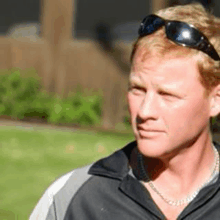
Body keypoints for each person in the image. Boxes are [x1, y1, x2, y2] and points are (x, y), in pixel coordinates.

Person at [29, 3, 220, 220]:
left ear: (216, 100)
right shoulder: (73, 199)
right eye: (137, 89)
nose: (145, 111)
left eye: (167, 95)